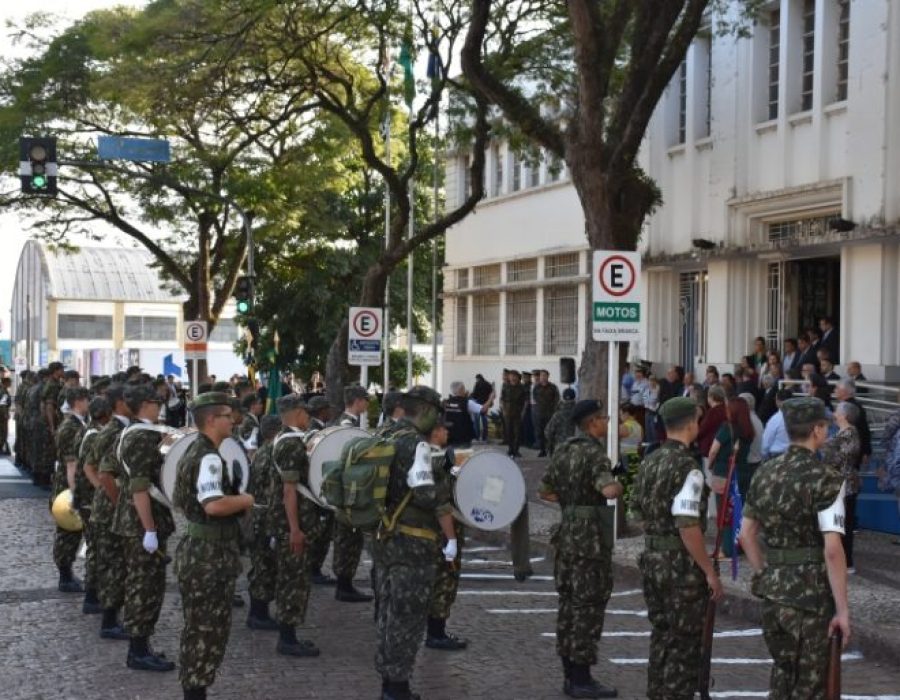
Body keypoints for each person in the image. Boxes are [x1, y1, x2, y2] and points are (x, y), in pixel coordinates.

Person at [739, 397, 850, 698]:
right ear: (817, 430)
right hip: (810, 596)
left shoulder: (764, 473)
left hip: (773, 590)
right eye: (824, 425)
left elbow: (746, 534)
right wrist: (842, 610)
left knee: (783, 674)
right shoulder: (826, 479)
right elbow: (832, 549)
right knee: (810, 684)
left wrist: (765, 573)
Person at [633, 397, 723, 700]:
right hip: (679, 566)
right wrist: (709, 571)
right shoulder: (688, 468)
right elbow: (688, 526)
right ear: (690, 424)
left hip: (652, 558)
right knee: (684, 644)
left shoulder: (650, 461)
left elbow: (637, 513)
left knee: (662, 635)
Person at [374, 386, 457, 700]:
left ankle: (387, 680)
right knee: (407, 616)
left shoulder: (386, 435)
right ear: (425, 409)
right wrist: (448, 496)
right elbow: (424, 494)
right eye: (437, 411)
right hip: (414, 543)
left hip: (386, 538)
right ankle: (397, 687)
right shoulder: (417, 446)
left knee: (387, 612)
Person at [174, 392, 255, 700]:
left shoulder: (199, 451)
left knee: (201, 628)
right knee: (206, 631)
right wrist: (246, 499)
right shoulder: (207, 456)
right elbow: (214, 505)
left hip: (203, 552)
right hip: (208, 557)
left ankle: (195, 691)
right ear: (211, 420)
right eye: (227, 415)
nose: (233, 421)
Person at [538, 399, 622, 699]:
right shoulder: (594, 454)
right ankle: (582, 678)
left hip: (567, 535)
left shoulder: (563, 449)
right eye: (604, 418)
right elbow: (608, 490)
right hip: (590, 540)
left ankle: (569, 674)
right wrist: (618, 481)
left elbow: (544, 490)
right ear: (592, 422)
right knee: (588, 607)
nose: (607, 422)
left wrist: (569, 501)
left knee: (568, 604)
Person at [113, 384, 176, 672]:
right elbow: (140, 487)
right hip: (140, 524)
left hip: (141, 522)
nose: (160, 405)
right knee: (143, 587)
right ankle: (137, 652)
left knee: (149, 586)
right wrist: (149, 529)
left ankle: (142, 646)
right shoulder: (140, 437)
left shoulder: (143, 432)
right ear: (145, 404)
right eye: (156, 401)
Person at [270, 395, 324, 656]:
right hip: (293, 523)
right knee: (293, 580)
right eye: (306, 411)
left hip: (291, 521)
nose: (308, 416)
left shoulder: (283, 438)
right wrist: (295, 529)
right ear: (298, 412)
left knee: (293, 578)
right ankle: (287, 639)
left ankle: (288, 635)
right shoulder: (291, 444)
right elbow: (289, 491)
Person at [86, 383, 132, 640]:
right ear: (119, 403)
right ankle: (109, 621)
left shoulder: (121, 429)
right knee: (114, 564)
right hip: (110, 511)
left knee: (116, 563)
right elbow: (94, 469)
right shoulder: (113, 432)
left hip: (109, 506)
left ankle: (112, 615)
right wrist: (112, 498)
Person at [425, 419, 468, 651]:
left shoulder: (424, 457)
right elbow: (443, 504)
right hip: (442, 529)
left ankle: (435, 630)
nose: (447, 432)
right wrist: (451, 538)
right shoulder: (439, 461)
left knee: (437, 580)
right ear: (435, 432)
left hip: (429, 529)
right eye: (443, 429)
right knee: (444, 581)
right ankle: (436, 633)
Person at [329, 385, 374, 602]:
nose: (367, 404)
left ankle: (345, 583)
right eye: (365, 400)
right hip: (349, 489)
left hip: (346, 488)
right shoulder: (347, 426)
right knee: (348, 538)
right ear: (357, 400)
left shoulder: (345, 423)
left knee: (348, 537)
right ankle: (344, 585)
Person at [246, 414, 284, 629]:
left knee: (262, 566)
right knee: (264, 567)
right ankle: (258, 614)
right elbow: (271, 490)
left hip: (259, 515)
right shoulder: (270, 453)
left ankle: (258, 612)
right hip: (265, 516)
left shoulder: (262, 451)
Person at [52, 386, 91, 594]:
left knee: (73, 531)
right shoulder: (70, 427)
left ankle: (67, 574)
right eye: (86, 400)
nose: (88, 403)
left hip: (71, 483)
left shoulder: (77, 423)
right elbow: (71, 464)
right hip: (68, 485)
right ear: (78, 401)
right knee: (68, 531)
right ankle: (64, 575)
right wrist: (74, 494)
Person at [78, 396, 112, 615]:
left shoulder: (90, 431)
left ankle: (93, 594)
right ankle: (92, 596)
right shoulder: (94, 435)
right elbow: (89, 468)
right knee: (97, 550)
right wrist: (102, 490)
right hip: (91, 499)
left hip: (90, 498)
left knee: (95, 548)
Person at [820, 401, 861, 573]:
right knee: (839, 524)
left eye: (836, 411)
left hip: (845, 485)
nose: (834, 413)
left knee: (843, 525)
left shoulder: (849, 434)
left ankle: (846, 562)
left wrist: (825, 449)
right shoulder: (842, 433)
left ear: (843, 415)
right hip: (839, 484)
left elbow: (840, 458)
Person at [304, 395, 338, 586]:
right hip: (317, 489)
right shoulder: (314, 431)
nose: (330, 411)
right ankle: (313, 569)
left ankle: (315, 568)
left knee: (323, 533)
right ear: (321, 411)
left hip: (319, 487)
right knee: (320, 533)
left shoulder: (318, 429)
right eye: (327, 408)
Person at [834, 379, 871, 468]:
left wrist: (866, 451)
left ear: (844, 391)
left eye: (837, 388)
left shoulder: (850, 407)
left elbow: (863, 429)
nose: (834, 390)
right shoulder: (850, 405)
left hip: (849, 454)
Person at [501, 370, 528, 458]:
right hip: (507, 413)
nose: (513, 378)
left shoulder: (522, 387)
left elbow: (526, 401)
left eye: (514, 376)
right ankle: (510, 449)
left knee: (517, 433)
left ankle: (516, 450)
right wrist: (503, 410)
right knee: (509, 432)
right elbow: (502, 399)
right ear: (509, 377)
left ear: (518, 377)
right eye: (511, 376)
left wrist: (523, 411)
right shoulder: (505, 386)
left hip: (518, 413)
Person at [535, 370, 561, 457]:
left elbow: (557, 399)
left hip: (550, 413)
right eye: (542, 375)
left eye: (545, 375)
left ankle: (551, 449)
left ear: (548, 376)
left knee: (551, 432)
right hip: (540, 413)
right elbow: (535, 398)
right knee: (540, 432)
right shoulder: (537, 387)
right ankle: (542, 450)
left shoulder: (553, 387)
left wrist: (554, 409)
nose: (543, 377)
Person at [761, 389, 793, 460]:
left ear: (778, 401)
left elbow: (766, 443)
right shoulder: (799, 417)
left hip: (777, 457)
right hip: (793, 455)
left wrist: (764, 457)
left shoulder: (775, 420)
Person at [544, 388, 577, 457]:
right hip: (576, 449)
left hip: (559, 449)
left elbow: (548, 432)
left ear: (563, 398)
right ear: (574, 398)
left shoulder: (557, 414)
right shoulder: (579, 414)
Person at [470, 373, 494, 441]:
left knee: (476, 421)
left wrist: (471, 396)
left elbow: (474, 394)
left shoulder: (477, 384)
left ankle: (477, 436)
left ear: (478, 378)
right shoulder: (488, 384)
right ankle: (485, 437)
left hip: (477, 404)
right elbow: (491, 394)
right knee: (484, 421)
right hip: (485, 404)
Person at [0, 376, 11, 454]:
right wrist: (5, 414)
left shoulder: (2, 390)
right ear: (6, 383)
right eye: (9, 382)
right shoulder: (4, 392)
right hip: (2, 416)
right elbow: (3, 404)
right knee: (3, 432)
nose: (10, 384)